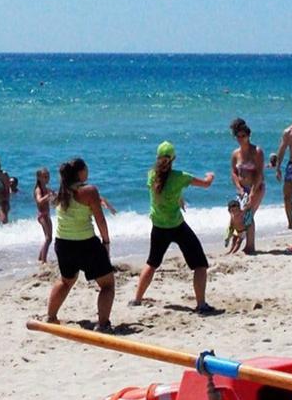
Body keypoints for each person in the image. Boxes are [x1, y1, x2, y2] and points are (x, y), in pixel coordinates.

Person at [131, 141, 218, 313]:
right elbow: (206, 184)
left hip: (158, 227)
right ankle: (201, 304)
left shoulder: (151, 175)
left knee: (152, 263)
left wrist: (178, 199)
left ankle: (137, 299)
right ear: (173, 159)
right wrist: (211, 176)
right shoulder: (181, 177)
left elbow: (163, 191)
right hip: (176, 226)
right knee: (200, 264)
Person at [46, 158, 115, 332]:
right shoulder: (89, 191)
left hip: (63, 244)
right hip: (86, 244)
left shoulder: (60, 192)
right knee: (107, 284)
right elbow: (100, 220)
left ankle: (51, 317)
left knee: (66, 281)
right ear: (80, 172)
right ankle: (103, 323)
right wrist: (106, 241)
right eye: (86, 169)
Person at [229, 118, 265, 255]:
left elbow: (259, 173)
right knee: (236, 216)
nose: (240, 139)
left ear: (248, 136)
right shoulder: (235, 154)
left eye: (243, 136)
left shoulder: (256, 152)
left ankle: (250, 246)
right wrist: (239, 188)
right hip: (242, 189)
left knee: (248, 215)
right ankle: (235, 242)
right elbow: (233, 172)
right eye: (238, 136)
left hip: (256, 188)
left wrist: (252, 193)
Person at [33, 167, 56, 264]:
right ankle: (44, 260)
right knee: (48, 238)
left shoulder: (45, 189)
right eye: (45, 177)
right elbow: (39, 201)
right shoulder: (38, 189)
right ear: (39, 178)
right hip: (42, 215)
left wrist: (54, 196)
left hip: (46, 214)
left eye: (48, 177)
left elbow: (54, 196)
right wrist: (47, 196)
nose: (47, 179)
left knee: (48, 237)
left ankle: (40, 257)